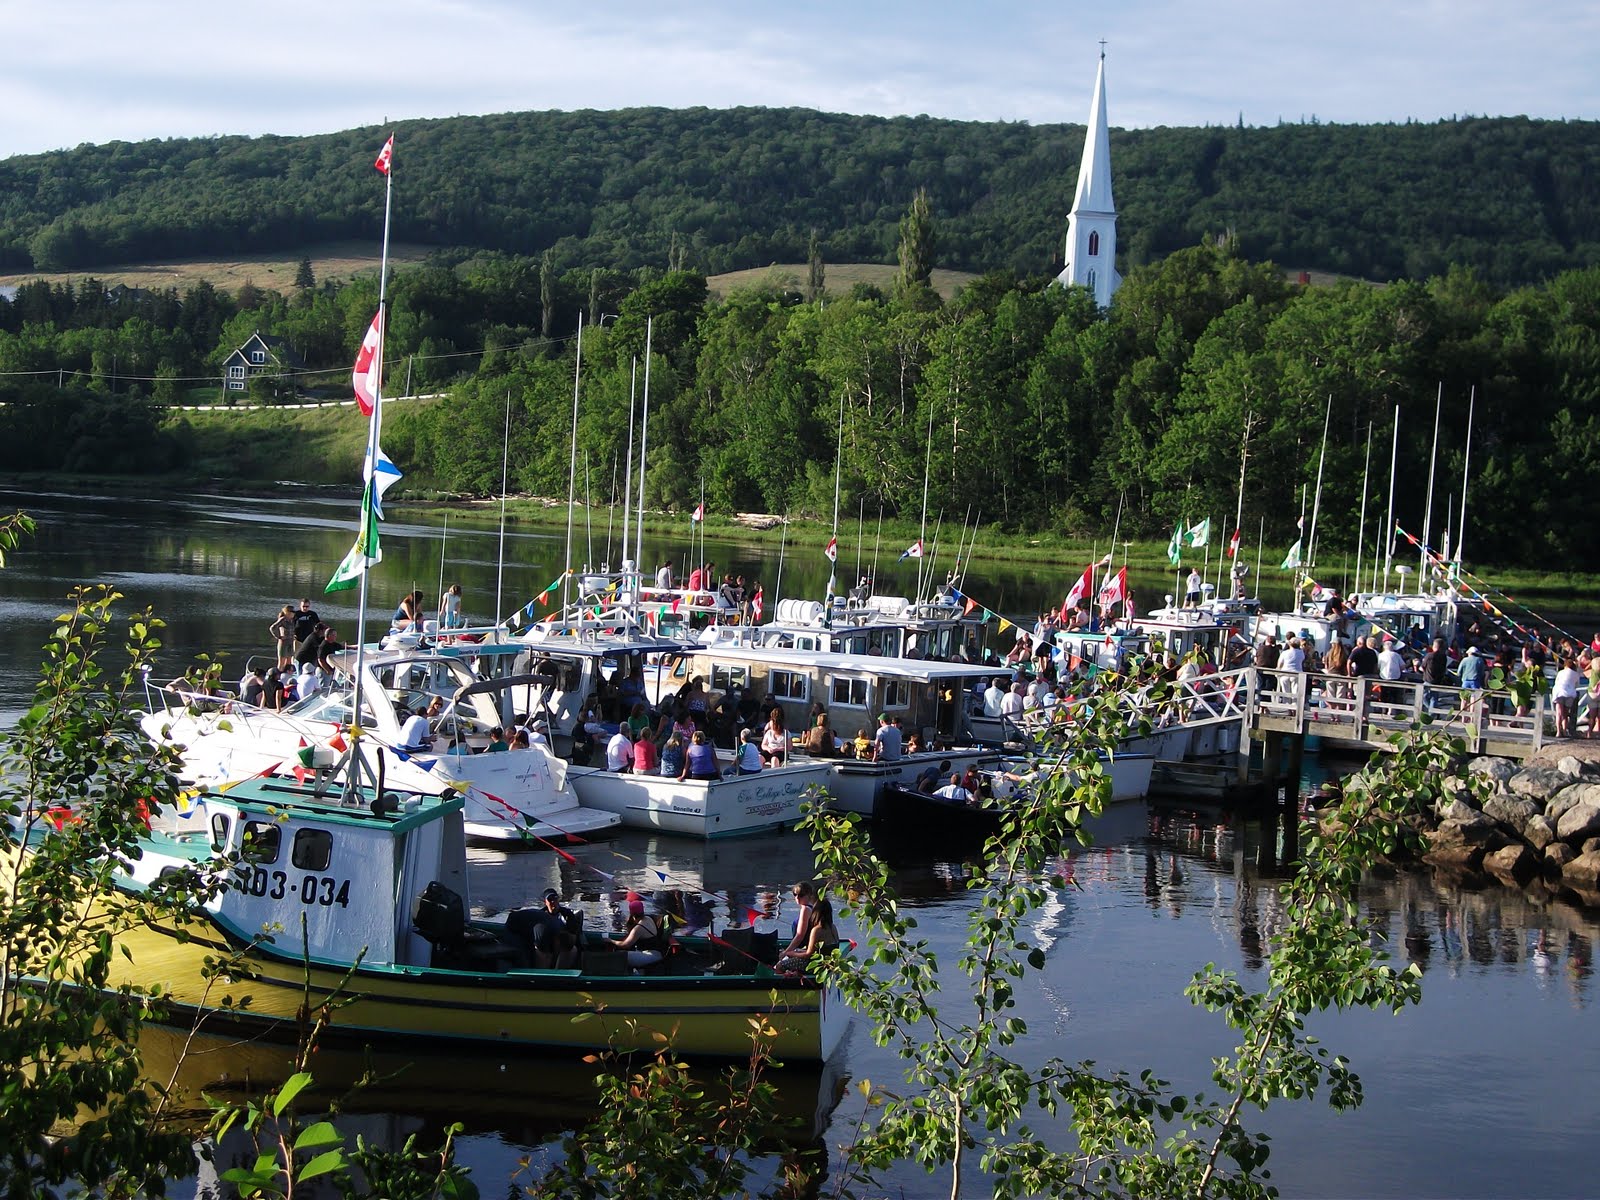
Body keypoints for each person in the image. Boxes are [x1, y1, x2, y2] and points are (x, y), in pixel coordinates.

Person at [778, 897, 838, 973]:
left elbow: (808, 954)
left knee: (780, 965)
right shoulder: (833, 927)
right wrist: (797, 952)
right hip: (829, 964)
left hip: (817, 965)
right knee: (796, 951)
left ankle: (781, 982)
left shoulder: (816, 930)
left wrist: (790, 953)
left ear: (816, 912)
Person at [610, 895, 668, 969]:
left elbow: (625, 945)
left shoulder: (639, 928)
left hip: (651, 955)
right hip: (657, 953)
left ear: (631, 913)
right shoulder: (648, 918)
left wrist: (611, 941)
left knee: (619, 956)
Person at [782, 881, 819, 960]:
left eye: (801, 895)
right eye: (795, 894)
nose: (797, 897)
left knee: (778, 965)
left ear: (809, 895)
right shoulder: (812, 908)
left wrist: (786, 952)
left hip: (802, 949)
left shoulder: (805, 909)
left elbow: (800, 936)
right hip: (806, 948)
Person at [1553, 658, 1582, 739]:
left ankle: (1558, 731)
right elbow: (1577, 685)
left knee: (1559, 713)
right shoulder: (1576, 674)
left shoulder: (1560, 672)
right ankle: (1565, 730)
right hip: (1570, 694)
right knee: (1565, 714)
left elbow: (1556, 682)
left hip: (1559, 693)